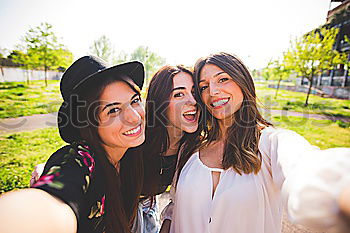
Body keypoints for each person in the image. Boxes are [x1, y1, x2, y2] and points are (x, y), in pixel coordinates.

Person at [164, 52, 350, 233]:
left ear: (243, 81)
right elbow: (174, 208)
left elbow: (303, 164)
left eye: (223, 79)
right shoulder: (190, 148)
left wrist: (338, 187)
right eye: (204, 87)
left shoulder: (271, 143)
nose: (213, 91)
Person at [0, 56, 146, 233]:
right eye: (113, 110)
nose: (135, 117)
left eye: (135, 100)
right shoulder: (80, 160)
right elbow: (48, 204)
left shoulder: (133, 150)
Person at [140, 65, 199, 232]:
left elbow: (176, 204)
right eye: (179, 94)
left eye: (194, 93)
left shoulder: (195, 149)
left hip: (148, 209)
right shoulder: (138, 140)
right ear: (160, 102)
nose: (193, 101)